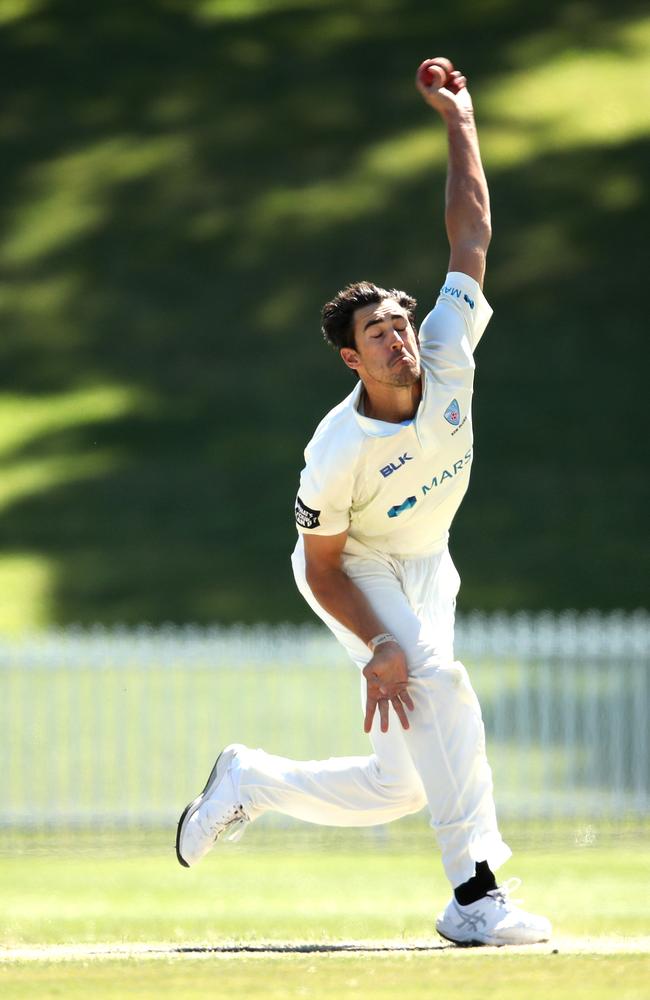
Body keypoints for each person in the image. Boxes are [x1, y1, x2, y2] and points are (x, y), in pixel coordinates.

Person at [176, 57, 551, 948]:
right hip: (356, 566)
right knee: (440, 684)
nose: (396, 337)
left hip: (430, 562)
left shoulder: (450, 347)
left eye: (399, 323)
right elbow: (321, 563)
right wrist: (381, 641)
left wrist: (459, 117)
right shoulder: (335, 449)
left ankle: (250, 780)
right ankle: (475, 894)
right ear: (351, 359)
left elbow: (472, 237)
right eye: (375, 333)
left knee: (407, 781)